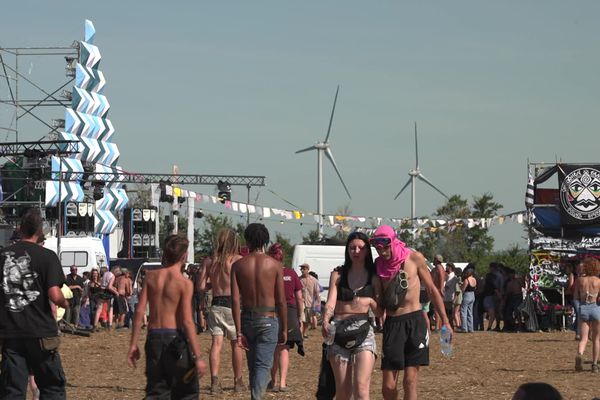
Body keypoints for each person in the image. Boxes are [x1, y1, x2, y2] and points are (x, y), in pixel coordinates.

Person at [370, 225, 452, 400]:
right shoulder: (377, 265)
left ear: (393, 241)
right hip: (393, 324)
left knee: (410, 381)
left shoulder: (414, 258)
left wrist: (445, 320)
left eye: (385, 246)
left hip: (415, 321)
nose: (381, 251)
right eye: (377, 247)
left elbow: (431, 289)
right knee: (388, 386)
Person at [0, 208, 70, 399]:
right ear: (41, 232)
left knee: (12, 389)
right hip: (41, 333)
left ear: (19, 229)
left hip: (10, 333)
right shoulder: (47, 256)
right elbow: (55, 295)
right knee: (51, 387)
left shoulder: (3, 256)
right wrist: (66, 303)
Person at [127, 234, 207, 398]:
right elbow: (187, 321)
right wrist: (197, 356)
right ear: (184, 256)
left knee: (157, 390)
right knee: (186, 392)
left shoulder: (151, 277)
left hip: (154, 337)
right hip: (175, 339)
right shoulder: (184, 283)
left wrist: (133, 344)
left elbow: (139, 311)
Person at [321, 231, 381, 400]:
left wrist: (369, 301)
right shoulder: (338, 275)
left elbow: (380, 312)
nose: (356, 251)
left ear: (367, 251)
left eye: (361, 248)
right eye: (352, 248)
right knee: (343, 392)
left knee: (362, 388)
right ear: (347, 250)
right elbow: (331, 302)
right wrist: (326, 320)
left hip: (364, 332)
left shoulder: (374, 278)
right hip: (339, 330)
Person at [231, 223, 287, 400]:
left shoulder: (238, 265)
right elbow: (281, 301)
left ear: (247, 240)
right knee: (263, 365)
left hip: (247, 318)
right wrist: (284, 328)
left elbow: (234, 299)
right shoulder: (275, 265)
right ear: (266, 240)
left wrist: (238, 330)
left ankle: (256, 396)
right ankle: (257, 397)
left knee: (254, 366)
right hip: (268, 317)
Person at [197, 228, 245, 393]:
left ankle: (214, 381)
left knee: (216, 344)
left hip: (216, 304)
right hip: (233, 305)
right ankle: (238, 381)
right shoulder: (238, 260)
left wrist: (213, 285)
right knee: (236, 344)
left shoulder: (210, 261)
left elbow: (201, 286)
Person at [267, 242, 304, 392]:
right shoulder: (291, 273)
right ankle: (282, 383)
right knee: (284, 349)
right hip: (289, 312)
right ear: (282, 257)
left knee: (275, 349)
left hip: (272, 311)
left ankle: (273, 381)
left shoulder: (268, 273)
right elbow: (299, 297)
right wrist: (300, 317)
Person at [573, 257, 600, 373]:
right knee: (596, 339)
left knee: (584, 338)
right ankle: (594, 364)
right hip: (595, 308)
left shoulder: (579, 280)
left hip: (583, 308)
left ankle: (580, 354)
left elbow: (575, 297)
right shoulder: (598, 281)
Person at [300, 263, 320, 338]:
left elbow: (317, 293)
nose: (302, 270)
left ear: (308, 269)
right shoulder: (299, 279)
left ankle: (304, 333)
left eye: (304, 269)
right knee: (301, 319)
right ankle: (300, 334)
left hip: (310, 303)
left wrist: (317, 303)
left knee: (307, 321)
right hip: (301, 302)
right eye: (301, 269)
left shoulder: (314, 280)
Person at [431, 254, 446, 331]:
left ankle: (437, 327)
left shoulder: (439, 268)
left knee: (437, 309)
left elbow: (441, 278)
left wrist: (440, 289)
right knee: (437, 309)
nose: (433, 260)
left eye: (434, 259)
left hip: (438, 290)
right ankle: (439, 326)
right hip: (436, 290)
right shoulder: (437, 268)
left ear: (437, 260)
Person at [459, 268, 477, 333]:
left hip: (467, 295)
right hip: (473, 295)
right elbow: (475, 287)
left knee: (463, 311)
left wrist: (460, 286)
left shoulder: (466, 280)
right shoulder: (474, 279)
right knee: (470, 312)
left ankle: (464, 328)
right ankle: (471, 328)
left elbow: (463, 289)